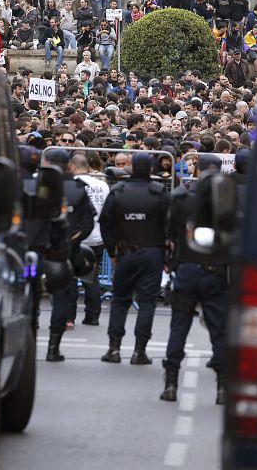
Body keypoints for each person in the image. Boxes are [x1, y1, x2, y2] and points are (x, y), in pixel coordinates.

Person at [160, 156, 229, 404]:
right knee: (219, 330)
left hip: (188, 268)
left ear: (197, 171)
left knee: (179, 327)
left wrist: (171, 262)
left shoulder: (181, 199)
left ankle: (170, 384)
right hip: (215, 270)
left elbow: (170, 235)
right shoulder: (227, 203)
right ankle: (222, 388)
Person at [99, 152, 169, 365]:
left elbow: (105, 224)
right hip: (152, 253)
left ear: (130, 168)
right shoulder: (159, 193)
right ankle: (139, 351)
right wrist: (167, 256)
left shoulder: (118, 191)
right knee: (147, 302)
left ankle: (114, 349)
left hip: (125, 252)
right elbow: (171, 226)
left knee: (120, 300)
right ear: (150, 169)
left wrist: (112, 251)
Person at [44, 149, 95, 362]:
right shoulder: (77, 188)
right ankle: (53, 347)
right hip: (63, 251)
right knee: (61, 297)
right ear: (68, 165)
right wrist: (71, 241)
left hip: (37, 249)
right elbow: (87, 223)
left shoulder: (38, 186)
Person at [68, 151, 109, 326]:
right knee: (91, 277)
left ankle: (68, 317)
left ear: (72, 166)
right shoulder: (102, 185)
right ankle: (92, 316)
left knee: (69, 278)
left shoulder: (72, 185)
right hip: (97, 238)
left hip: (76, 238)